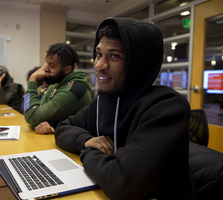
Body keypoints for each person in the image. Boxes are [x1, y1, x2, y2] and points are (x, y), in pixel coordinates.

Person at [54, 17, 196, 199]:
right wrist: (86, 140)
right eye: (98, 54)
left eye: (114, 56)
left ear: (139, 63)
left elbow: (122, 183)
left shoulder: (167, 107)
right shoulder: (101, 102)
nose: (99, 65)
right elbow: (63, 128)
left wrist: (88, 152)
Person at [23, 43, 92, 134]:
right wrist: (39, 124)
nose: (46, 69)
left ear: (67, 69)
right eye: (46, 64)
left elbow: (30, 116)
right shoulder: (55, 85)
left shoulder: (72, 91)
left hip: (74, 144)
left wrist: (32, 79)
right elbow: (35, 118)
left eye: (52, 66)